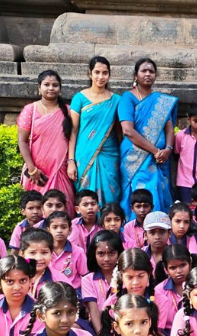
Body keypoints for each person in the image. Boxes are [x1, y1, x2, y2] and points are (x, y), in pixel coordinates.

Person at [119, 58, 177, 215]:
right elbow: (128, 130)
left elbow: (169, 129)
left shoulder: (161, 102)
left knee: (158, 190)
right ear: (135, 75)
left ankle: (157, 226)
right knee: (139, 195)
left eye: (151, 71)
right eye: (143, 70)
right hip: (134, 158)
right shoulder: (127, 98)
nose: (147, 74)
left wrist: (168, 149)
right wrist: (155, 151)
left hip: (159, 159)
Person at [18, 70, 75, 218]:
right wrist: (32, 170)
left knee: (64, 208)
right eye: (46, 84)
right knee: (37, 213)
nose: (51, 88)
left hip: (61, 170)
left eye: (55, 85)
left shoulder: (68, 111)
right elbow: (22, 141)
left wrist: (71, 162)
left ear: (60, 88)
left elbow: (72, 138)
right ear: (39, 87)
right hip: (38, 173)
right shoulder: (30, 110)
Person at [68, 56, 122, 207]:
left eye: (105, 73)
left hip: (110, 156)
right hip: (84, 155)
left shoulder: (116, 100)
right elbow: (73, 131)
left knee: (111, 198)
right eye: (97, 72)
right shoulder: (79, 98)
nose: (101, 76)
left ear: (109, 75)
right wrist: (71, 161)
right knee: (86, 198)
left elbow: (120, 133)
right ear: (90, 74)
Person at [82, 230, 122, 335]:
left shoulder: (125, 276)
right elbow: (93, 310)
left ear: (119, 253)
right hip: (97, 325)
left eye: (111, 253)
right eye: (101, 254)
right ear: (94, 255)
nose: (106, 259)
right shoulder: (88, 279)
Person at [154, 245, 196, 336]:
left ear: (190, 262)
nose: (179, 271)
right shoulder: (159, 291)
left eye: (182, 265)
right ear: (166, 269)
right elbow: (157, 328)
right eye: (173, 268)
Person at [173, 105, 197, 204]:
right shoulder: (180, 136)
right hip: (184, 182)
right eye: (195, 121)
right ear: (189, 119)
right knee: (186, 208)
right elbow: (176, 154)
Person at [45, 211, 88, 294]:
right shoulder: (44, 251)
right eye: (55, 227)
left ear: (70, 230)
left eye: (63, 227)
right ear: (48, 230)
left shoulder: (78, 252)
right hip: (49, 292)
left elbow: (85, 276)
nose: (59, 231)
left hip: (73, 292)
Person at [19, 229, 55, 297]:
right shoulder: (12, 277)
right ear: (22, 254)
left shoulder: (58, 280)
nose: (38, 258)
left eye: (44, 252)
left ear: (51, 253)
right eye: (32, 253)